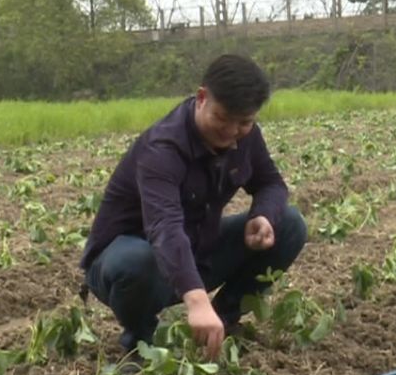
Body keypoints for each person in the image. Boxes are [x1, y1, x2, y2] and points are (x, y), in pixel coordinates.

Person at [80, 54, 307, 359]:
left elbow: (271, 183)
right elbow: (164, 227)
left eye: (244, 122)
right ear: (202, 98)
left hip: (197, 248)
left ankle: (222, 321)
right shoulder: (162, 148)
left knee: (289, 224)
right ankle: (139, 344)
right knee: (138, 260)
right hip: (127, 263)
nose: (231, 132)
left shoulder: (247, 135)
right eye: (223, 118)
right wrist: (196, 300)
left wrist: (263, 215)